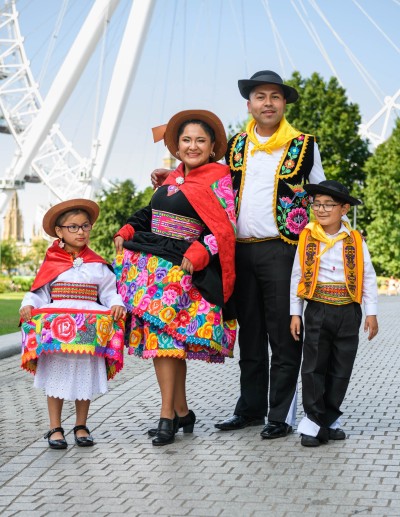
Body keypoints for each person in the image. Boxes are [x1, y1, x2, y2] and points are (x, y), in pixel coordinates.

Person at [153, 71, 326, 438]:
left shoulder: (304, 144)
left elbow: (320, 195)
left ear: (283, 104)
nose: (267, 103)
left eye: (274, 97)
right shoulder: (234, 145)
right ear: (249, 105)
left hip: (284, 250)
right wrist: (168, 176)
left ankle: (280, 414)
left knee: (283, 336)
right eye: (260, 96)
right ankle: (249, 409)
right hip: (239, 251)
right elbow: (203, 179)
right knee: (249, 335)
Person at [113, 109, 237, 446]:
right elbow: (151, 214)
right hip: (154, 272)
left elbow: (224, 228)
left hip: (182, 274)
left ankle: (167, 416)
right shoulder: (172, 178)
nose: (192, 145)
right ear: (177, 146)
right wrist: (128, 228)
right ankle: (181, 412)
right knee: (165, 347)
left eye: (200, 140)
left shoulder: (219, 178)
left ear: (212, 147)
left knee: (166, 345)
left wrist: (199, 252)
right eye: (186, 140)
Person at [20, 199, 126, 449]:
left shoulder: (98, 265)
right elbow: (39, 292)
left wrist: (116, 303)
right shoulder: (51, 263)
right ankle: (55, 427)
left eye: (85, 226)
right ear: (59, 231)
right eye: (73, 227)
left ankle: (81, 425)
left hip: (88, 328)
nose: (80, 232)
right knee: (57, 373)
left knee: (85, 373)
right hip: (58, 330)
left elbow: (110, 292)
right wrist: (29, 304)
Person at [290, 180, 379, 447]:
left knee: (341, 368)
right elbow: (297, 276)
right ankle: (313, 423)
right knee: (314, 366)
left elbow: (369, 277)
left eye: (329, 204)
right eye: (317, 203)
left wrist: (371, 313)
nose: (322, 209)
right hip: (317, 309)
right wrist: (296, 313)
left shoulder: (355, 240)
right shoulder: (307, 238)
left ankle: (329, 419)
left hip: (348, 312)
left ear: (344, 209)